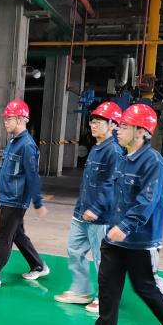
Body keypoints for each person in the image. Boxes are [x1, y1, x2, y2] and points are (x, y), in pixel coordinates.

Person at [75, 104, 163, 325]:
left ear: (141, 132)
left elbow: (147, 200)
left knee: (145, 285)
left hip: (141, 239)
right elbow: (110, 188)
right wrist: (98, 209)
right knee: (108, 284)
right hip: (114, 236)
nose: (118, 130)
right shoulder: (122, 158)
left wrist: (126, 226)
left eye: (125, 126)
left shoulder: (153, 162)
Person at [55, 102, 123, 313]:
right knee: (74, 251)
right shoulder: (96, 148)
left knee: (102, 259)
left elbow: (111, 185)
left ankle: (106, 298)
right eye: (92, 122)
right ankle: (81, 291)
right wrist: (81, 207)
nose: (93, 125)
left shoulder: (114, 152)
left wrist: (96, 208)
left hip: (100, 217)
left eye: (99, 122)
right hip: (82, 213)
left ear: (112, 125)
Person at [0, 99, 48, 287]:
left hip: (16, 200)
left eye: (9, 119)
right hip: (7, 197)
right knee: (17, 234)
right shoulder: (13, 142)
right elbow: (2, 168)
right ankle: (38, 265)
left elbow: (32, 176)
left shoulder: (27, 146)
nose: (5, 122)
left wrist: (38, 202)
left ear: (21, 119)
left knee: (3, 237)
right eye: (5, 118)